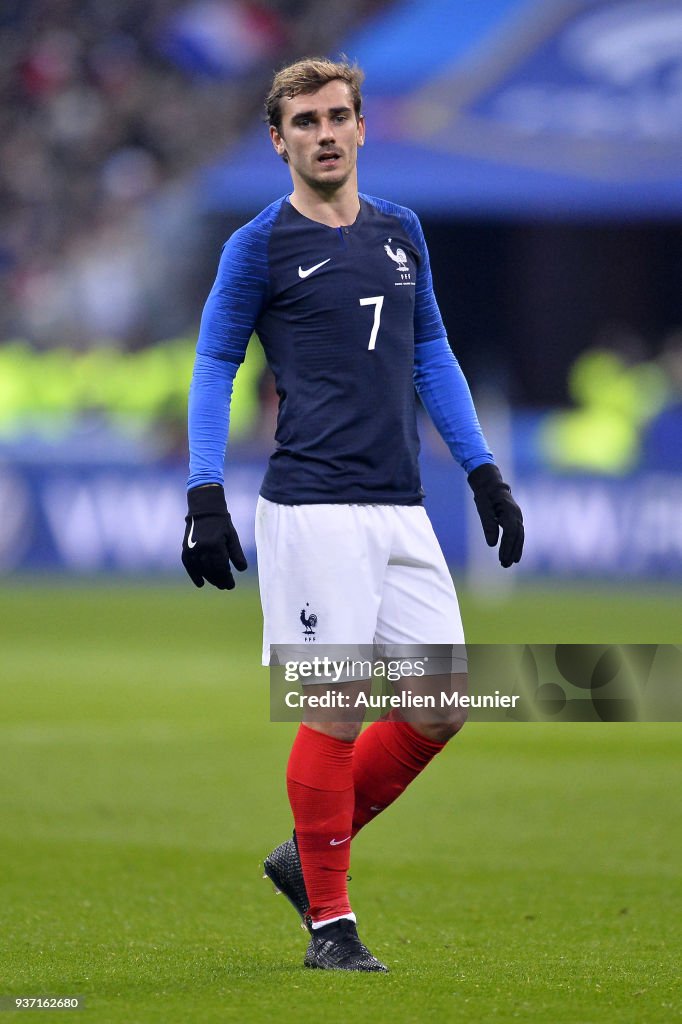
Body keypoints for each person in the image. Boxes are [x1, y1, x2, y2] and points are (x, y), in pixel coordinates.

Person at [181, 57, 524, 973]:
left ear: (363, 127)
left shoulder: (401, 231)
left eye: (339, 116)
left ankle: (307, 851)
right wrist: (204, 489)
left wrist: (484, 470)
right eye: (306, 121)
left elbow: (432, 354)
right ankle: (331, 928)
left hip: (400, 506)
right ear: (279, 140)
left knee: (441, 705)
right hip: (314, 507)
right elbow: (217, 365)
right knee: (335, 708)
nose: (325, 132)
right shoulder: (257, 245)